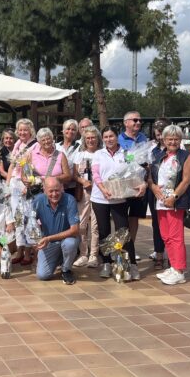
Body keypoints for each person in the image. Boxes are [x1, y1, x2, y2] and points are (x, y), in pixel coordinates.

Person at [91, 126, 142, 280]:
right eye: (106, 137)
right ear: (102, 139)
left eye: (111, 136)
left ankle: (131, 265)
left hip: (119, 198)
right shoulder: (98, 154)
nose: (109, 139)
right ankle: (107, 263)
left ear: (117, 136)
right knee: (104, 232)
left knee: (123, 232)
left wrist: (140, 183)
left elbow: (135, 171)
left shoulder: (127, 153)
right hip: (100, 198)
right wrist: (103, 189)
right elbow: (95, 174)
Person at [149, 125, 190, 286]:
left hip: (176, 202)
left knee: (176, 237)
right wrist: (154, 188)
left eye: (176, 139)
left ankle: (179, 270)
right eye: (169, 139)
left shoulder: (186, 156)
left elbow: (186, 180)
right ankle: (173, 266)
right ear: (164, 139)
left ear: (180, 140)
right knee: (165, 236)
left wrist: (174, 197)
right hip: (160, 201)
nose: (173, 142)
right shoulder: (159, 156)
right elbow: (151, 177)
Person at [33, 177, 80, 284]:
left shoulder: (70, 200)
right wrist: (35, 239)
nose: (54, 194)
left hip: (65, 239)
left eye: (57, 190)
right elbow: (29, 222)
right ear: (44, 190)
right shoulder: (38, 201)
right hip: (48, 244)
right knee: (42, 275)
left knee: (70, 243)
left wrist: (49, 238)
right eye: (51, 191)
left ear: (62, 188)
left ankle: (66, 269)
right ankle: (60, 259)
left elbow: (75, 230)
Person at [6, 118, 37, 265]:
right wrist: (7, 185)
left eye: (25, 130)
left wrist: (27, 186)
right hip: (14, 183)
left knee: (27, 217)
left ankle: (27, 253)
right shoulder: (17, 144)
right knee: (17, 218)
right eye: (20, 130)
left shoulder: (35, 145)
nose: (22, 132)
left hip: (26, 183)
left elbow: (32, 167)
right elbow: (12, 166)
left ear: (31, 131)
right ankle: (19, 249)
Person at [117, 111, 148, 260]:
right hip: (123, 183)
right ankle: (121, 249)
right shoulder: (119, 139)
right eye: (135, 120)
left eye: (140, 120)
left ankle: (131, 249)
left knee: (134, 217)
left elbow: (146, 158)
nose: (138, 123)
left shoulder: (143, 138)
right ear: (126, 123)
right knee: (121, 218)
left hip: (139, 183)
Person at [72, 126, 101, 268]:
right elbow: (74, 174)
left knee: (96, 225)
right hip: (83, 193)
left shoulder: (102, 153)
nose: (90, 140)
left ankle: (94, 255)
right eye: (88, 138)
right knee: (82, 224)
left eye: (93, 137)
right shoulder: (79, 154)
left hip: (99, 193)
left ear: (97, 139)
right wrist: (83, 181)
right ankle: (83, 254)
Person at [147, 118, 170, 268]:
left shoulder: (176, 148)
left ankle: (173, 256)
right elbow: (148, 171)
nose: (159, 133)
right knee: (157, 223)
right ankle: (159, 254)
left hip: (171, 191)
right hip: (154, 191)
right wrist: (153, 186)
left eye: (162, 129)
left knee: (172, 224)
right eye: (157, 130)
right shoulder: (152, 149)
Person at [56, 119, 80, 196]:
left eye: (73, 129)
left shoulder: (80, 147)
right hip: (57, 186)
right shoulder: (56, 146)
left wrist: (68, 180)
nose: (70, 131)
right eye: (68, 129)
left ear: (76, 132)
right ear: (63, 130)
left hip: (73, 186)